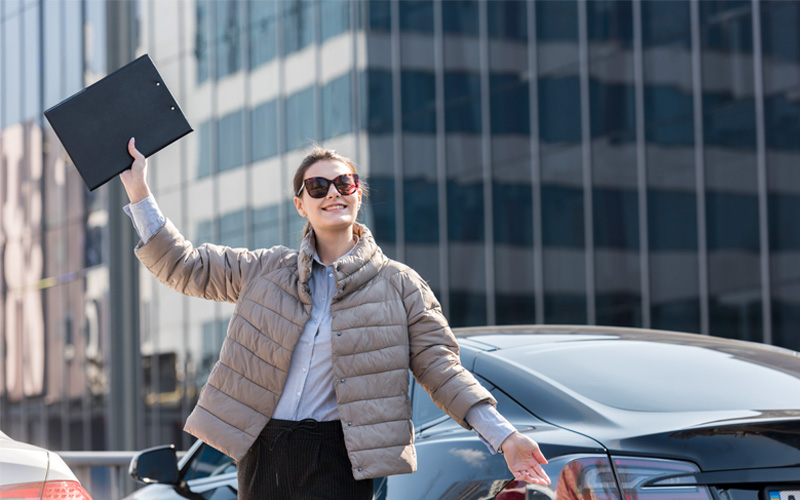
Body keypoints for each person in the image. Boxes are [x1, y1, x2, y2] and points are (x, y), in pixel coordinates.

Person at [120, 137, 550, 499]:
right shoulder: (264, 270)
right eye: (318, 186)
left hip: (339, 458)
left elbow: (442, 370)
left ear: (358, 195)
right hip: (263, 452)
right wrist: (139, 191)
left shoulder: (401, 285)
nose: (333, 193)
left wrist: (506, 437)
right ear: (300, 205)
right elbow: (184, 265)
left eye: (344, 183)